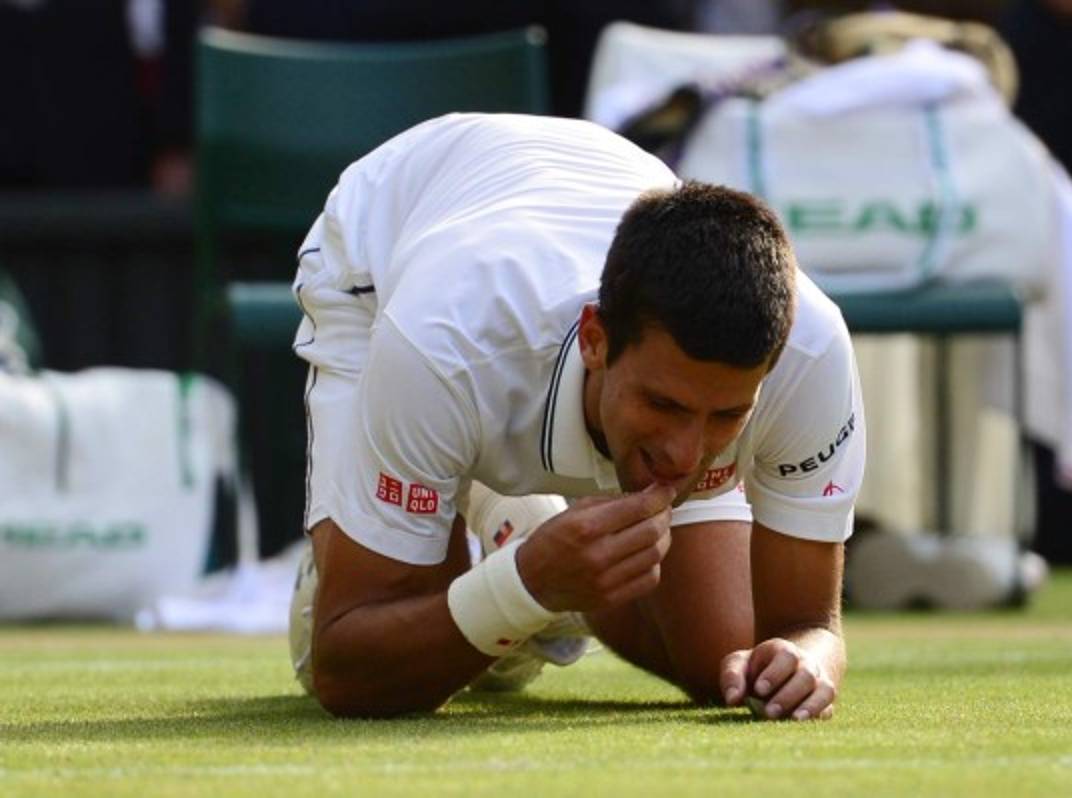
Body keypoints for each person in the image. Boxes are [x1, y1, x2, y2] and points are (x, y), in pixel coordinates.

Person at [288, 113, 865, 721]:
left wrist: (810, 659)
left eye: (727, 415)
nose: (686, 455)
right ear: (596, 338)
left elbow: (808, 626)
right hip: (378, 256)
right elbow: (349, 671)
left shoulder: (811, 352)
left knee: (729, 661)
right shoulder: (435, 345)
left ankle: (524, 531)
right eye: (662, 404)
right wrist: (527, 584)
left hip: (528, 252)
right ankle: (435, 522)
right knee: (399, 673)